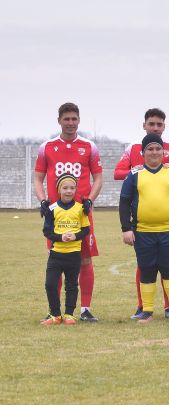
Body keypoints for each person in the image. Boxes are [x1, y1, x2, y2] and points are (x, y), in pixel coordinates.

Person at [114, 107, 169, 318]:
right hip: (143, 232)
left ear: (163, 151)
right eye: (150, 149)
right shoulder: (134, 175)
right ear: (143, 153)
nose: (155, 152)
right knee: (147, 269)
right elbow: (124, 202)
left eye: (158, 149)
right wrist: (126, 229)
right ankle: (146, 311)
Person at [34, 102, 103, 322]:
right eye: (67, 119)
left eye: (74, 119)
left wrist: (89, 201)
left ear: (79, 120)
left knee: (85, 261)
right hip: (57, 215)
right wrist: (43, 200)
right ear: (59, 121)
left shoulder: (89, 147)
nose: (71, 123)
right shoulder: (47, 147)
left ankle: (84, 309)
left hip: (81, 213)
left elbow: (98, 178)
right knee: (56, 259)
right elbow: (38, 177)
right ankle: (54, 311)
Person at [41, 175, 90, 325]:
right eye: (65, 188)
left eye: (72, 188)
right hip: (56, 254)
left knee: (71, 285)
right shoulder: (52, 209)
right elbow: (47, 231)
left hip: (74, 254)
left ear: (76, 189)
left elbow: (86, 229)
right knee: (50, 284)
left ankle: (69, 314)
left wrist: (75, 236)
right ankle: (55, 315)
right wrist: (60, 237)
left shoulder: (81, 209)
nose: (69, 191)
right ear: (59, 190)